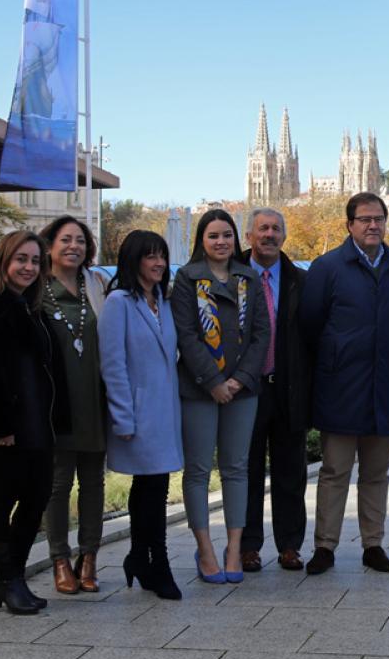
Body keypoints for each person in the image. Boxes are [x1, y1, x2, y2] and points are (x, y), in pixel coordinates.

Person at [0, 230, 70, 614]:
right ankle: (8, 580)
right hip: (2, 423)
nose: (28, 267)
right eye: (21, 259)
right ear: (3, 262)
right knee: (2, 498)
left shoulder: (32, 308)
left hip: (36, 420)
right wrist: (0, 427)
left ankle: (11, 578)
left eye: (35, 261)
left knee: (38, 494)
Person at [301, 193, 389, 575]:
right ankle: (325, 546)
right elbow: (310, 325)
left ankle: (373, 544)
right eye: (364, 219)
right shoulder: (328, 267)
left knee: (377, 474)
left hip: (385, 387)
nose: (373, 225)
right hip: (340, 387)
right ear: (349, 225)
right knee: (334, 472)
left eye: (379, 218)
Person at [171, 209, 270, 584]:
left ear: (236, 239)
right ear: (202, 240)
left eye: (227, 235)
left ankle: (233, 548)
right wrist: (213, 380)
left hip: (243, 390)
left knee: (236, 468)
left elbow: (262, 334)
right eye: (213, 236)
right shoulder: (187, 278)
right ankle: (206, 549)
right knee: (197, 470)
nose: (221, 242)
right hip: (198, 390)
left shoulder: (249, 277)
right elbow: (186, 335)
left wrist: (239, 380)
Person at [99, 230, 183, 599]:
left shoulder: (162, 300)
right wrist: (123, 416)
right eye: (151, 256)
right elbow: (112, 364)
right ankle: (157, 563)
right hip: (137, 410)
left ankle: (139, 557)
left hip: (164, 409)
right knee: (151, 486)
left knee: (154, 485)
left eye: (162, 256)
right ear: (134, 260)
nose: (159, 263)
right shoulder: (119, 302)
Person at [236, 209, 312, 573]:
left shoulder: (301, 280)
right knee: (246, 469)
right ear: (248, 236)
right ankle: (248, 546)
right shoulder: (229, 275)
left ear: (284, 235)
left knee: (290, 471)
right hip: (245, 389)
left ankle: (290, 546)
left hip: (288, 387)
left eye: (275, 228)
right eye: (262, 229)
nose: (269, 234)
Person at [39, 216, 107, 594]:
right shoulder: (37, 289)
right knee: (58, 484)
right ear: (50, 244)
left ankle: (90, 557)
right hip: (57, 402)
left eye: (80, 241)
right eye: (65, 240)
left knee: (94, 483)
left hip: (94, 398)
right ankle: (60, 559)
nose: (73, 247)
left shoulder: (95, 285)